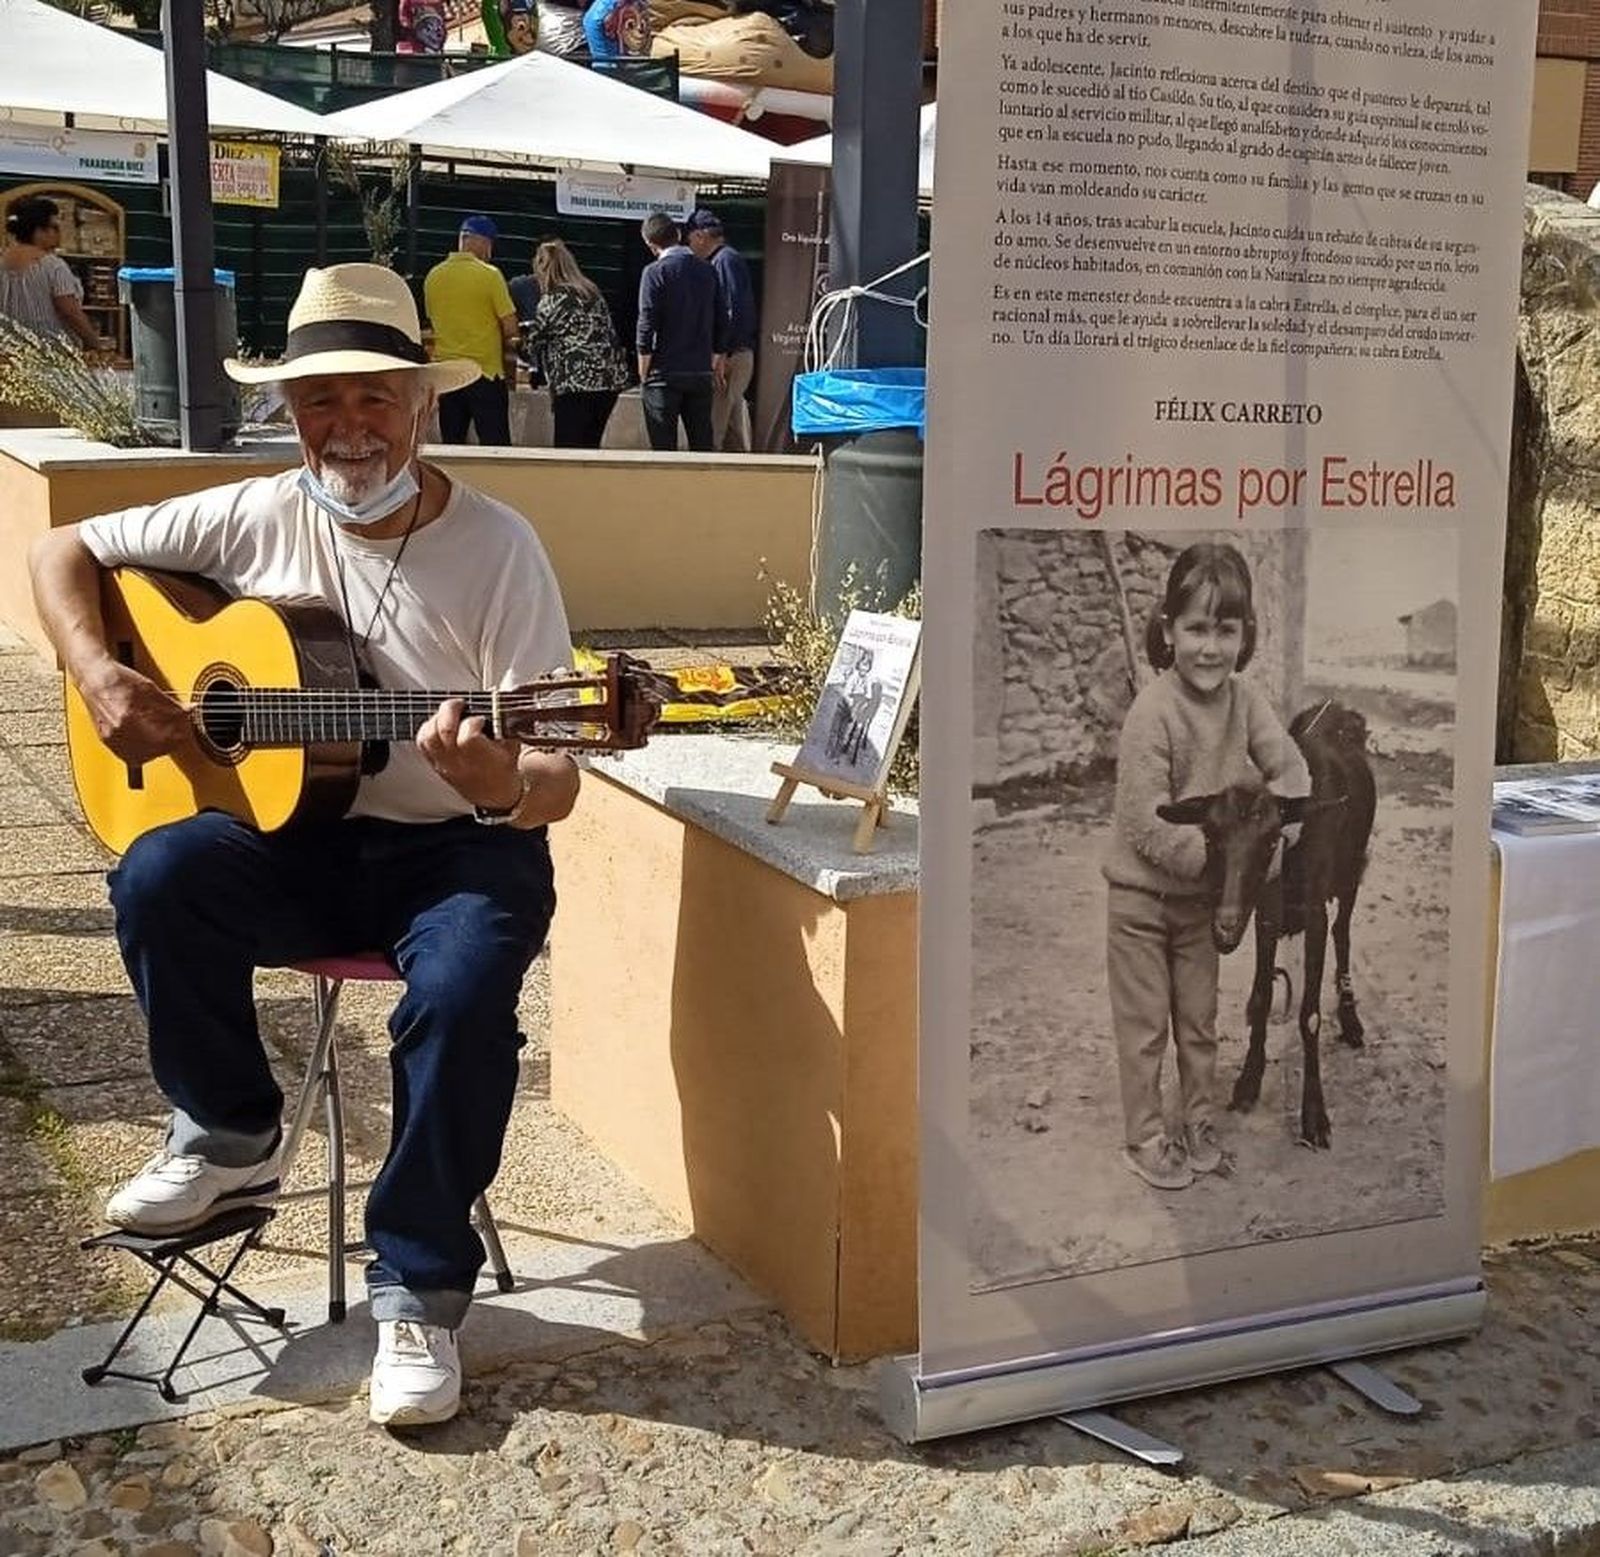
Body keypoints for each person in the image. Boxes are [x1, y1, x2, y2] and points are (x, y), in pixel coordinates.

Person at [27, 263, 581, 1429]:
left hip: (459, 851)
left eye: (376, 396)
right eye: (319, 399)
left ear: (423, 404)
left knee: (462, 999)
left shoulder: (500, 547)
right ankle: (229, 1131)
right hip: (297, 841)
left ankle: (418, 1290)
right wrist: (99, 671)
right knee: (160, 873)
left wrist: (498, 779)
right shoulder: (249, 512)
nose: (348, 425)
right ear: (287, 409)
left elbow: (557, 777)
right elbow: (59, 550)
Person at [1101, 542, 1309, 1191]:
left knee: (1199, 1022)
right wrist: (1228, 871)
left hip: (1199, 907)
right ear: (1169, 630)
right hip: (1140, 904)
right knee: (1145, 1027)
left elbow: (1290, 768)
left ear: (1246, 635)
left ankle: (1198, 1122)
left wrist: (1280, 830)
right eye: (1196, 629)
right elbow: (1145, 820)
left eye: (1226, 630)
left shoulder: (1246, 703)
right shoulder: (1152, 712)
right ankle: (1144, 1136)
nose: (1210, 648)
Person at [520, 239, 629, 449]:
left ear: (542, 269)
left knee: (567, 449)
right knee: (590, 447)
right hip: (608, 382)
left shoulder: (552, 300)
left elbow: (531, 344)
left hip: (574, 383)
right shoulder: (592, 293)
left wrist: (516, 340)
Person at [636, 211, 727, 453]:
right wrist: (717, 355)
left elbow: (647, 322)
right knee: (702, 444)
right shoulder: (708, 271)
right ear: (678, 234)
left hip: (663, 373)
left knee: (663, 449)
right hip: (699, 371)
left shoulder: (654, 272)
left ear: (650, 244)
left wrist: (643, 367)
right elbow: (722, 317)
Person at [423, 215, 518, 446]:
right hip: (485, 373)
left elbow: (434, 322)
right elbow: (510, 326)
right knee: (496, 446)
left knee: (453, 444)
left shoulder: (433, 276)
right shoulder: (490, 275)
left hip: (449, 376)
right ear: (483, 242)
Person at [683, 208, 757, 452]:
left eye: (689, 239)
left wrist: (722, 352)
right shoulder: (726, 259)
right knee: (732, 424)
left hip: (730, 355)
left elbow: (731, 308)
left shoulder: (724, 261)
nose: (689, 245)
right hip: (734, 352)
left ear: (701, 236)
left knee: (715, 424)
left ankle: (710, 469)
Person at [0, 196, 105, 353]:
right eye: (55, 228)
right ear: (39, 231)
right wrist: (94, 343)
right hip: (49, 355)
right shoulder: (53, 266)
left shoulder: (2, 262)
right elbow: (70, 312)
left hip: (10, 355)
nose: (59, 234)